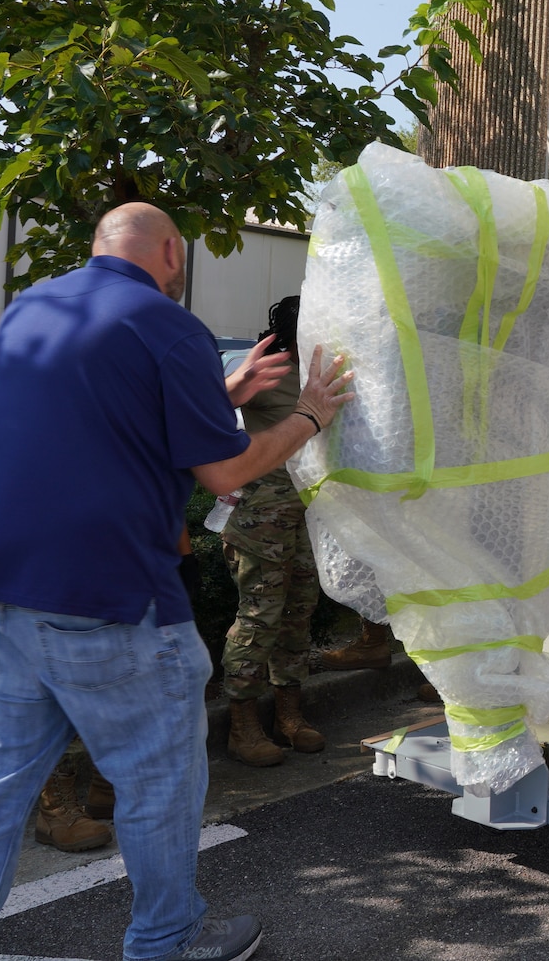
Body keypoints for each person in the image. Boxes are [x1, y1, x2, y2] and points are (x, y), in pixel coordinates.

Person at [0, 203, 353, 961]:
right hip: (102, 592)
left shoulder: (34, 306)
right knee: (160, 781)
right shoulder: (169, 324)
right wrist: (307, 414)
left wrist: (222, 394)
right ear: (170, 252)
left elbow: (91, 418)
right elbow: (228, 469)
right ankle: (168, 939)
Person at [220, 295, 327, 767]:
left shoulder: (320, 372)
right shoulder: (270, 368)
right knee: (261, 614)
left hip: (309, 511)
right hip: (261, 512)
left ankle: (290, 715)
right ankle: (242, 725)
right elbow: (201, 411)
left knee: (299, 611)